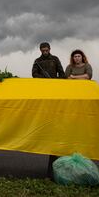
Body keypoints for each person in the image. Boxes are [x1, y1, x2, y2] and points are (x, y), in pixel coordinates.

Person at [32, 42, 65, 178]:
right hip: (43, 88)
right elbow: (34, 74)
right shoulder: (37, 61)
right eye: (43, 50)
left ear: (50, 49)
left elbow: (62, 73)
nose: (45, 51)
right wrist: (44, 78)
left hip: (55, 87)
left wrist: (55, 80)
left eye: (46, 49)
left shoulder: (55, 59)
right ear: (40, 50)